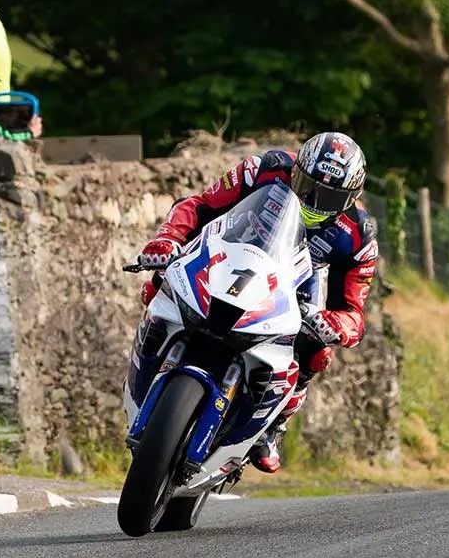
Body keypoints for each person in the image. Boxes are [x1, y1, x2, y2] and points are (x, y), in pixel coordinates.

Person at [132, 131, 378, 474]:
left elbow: (353, 311)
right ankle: (152, 355)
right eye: (307, 185)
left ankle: (273, 427)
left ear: (351, 198)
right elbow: (199, 206)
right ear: (297, 170)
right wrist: (167, 240)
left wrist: (336, 325)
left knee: (316, 351)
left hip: (297, 281)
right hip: (231, 249)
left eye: (328, 196)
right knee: (159, 281)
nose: (313, 200)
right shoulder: (262, 168)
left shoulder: (358, 235)